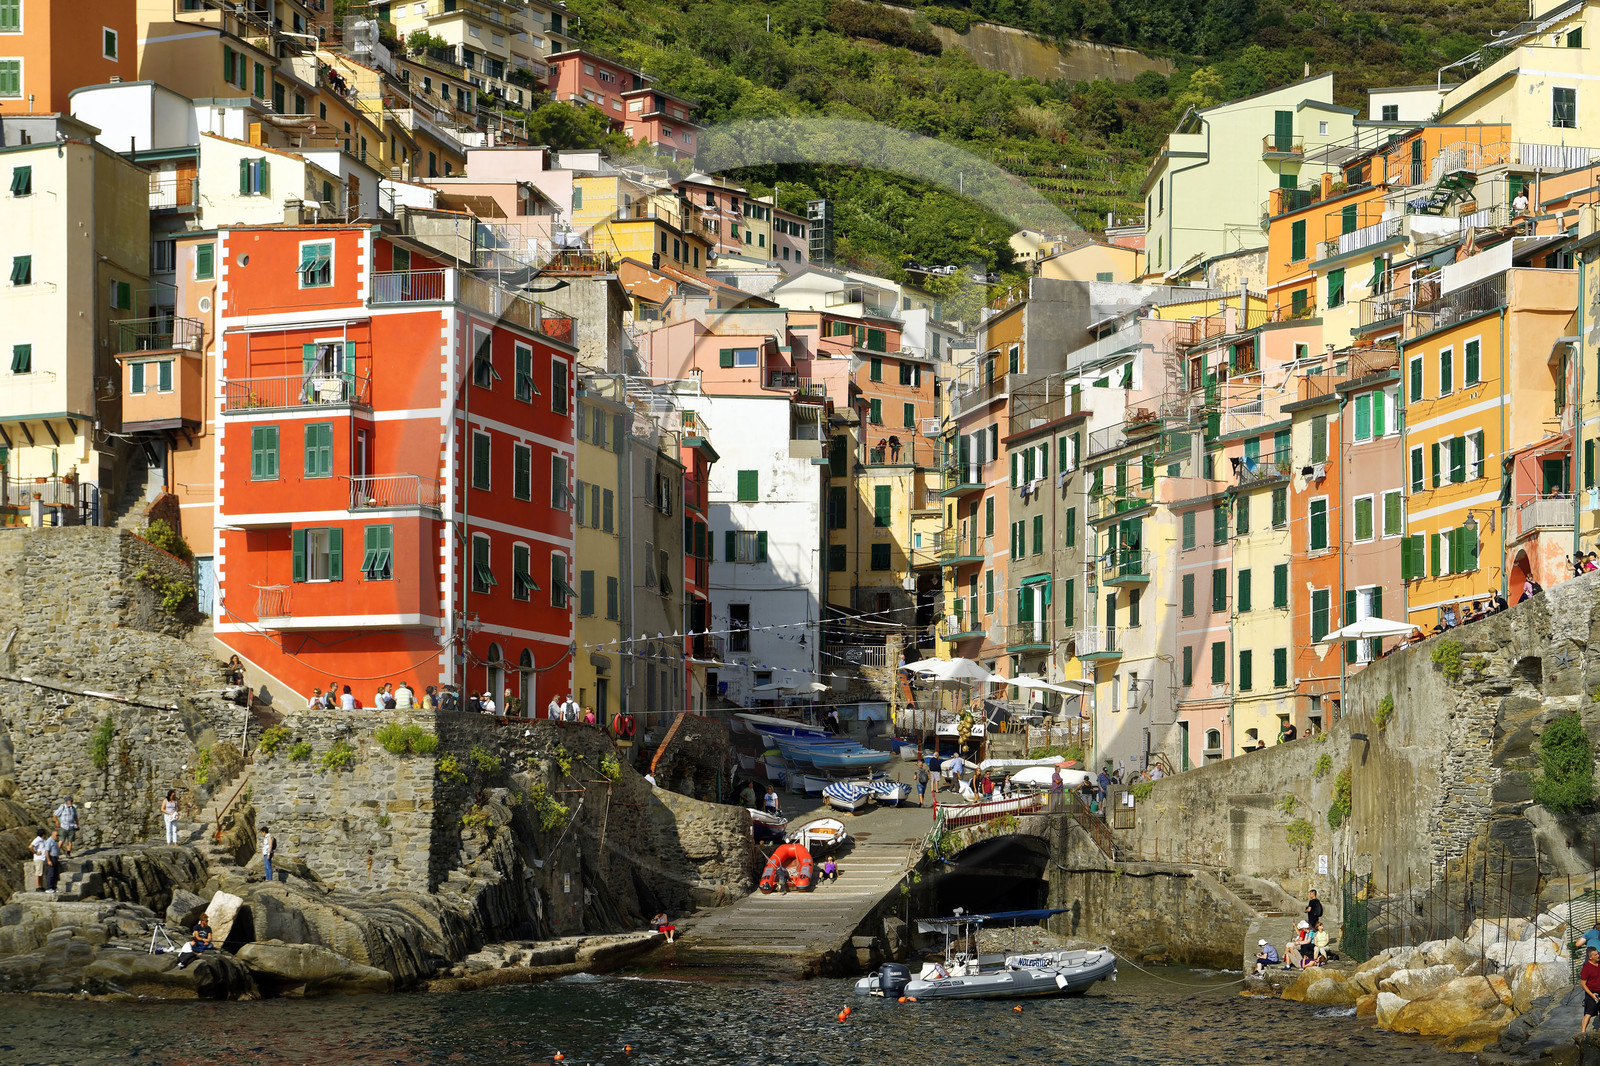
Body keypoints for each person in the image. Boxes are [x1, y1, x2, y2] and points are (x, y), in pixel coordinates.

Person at [1583, 947, 1600, 1034]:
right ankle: (1582, 1033)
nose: (1598, 956)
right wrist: (1591, 994)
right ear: (1590, 957)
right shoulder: (1587, 968)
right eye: (1595, 955)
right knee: (1588, 1013)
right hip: (1592, 992)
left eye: (1598, 954)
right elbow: (1583, 984)